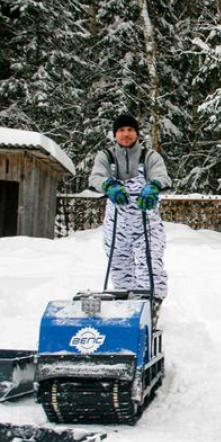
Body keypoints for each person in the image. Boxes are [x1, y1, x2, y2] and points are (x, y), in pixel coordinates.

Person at [88, 113, 171, 324]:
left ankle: (151, 311)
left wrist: (153, 186)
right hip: (117, 224)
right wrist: (109, 185)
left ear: (136, 133)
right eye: (121, 130)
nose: (126, 134)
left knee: (150, 267)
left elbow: (161, 175)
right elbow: (96, 176)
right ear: (115, 134)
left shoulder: (148, 156)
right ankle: (125, 315)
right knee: (119, 268)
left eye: (130, 130)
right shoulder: (106, 156)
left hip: (146, 223)